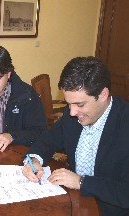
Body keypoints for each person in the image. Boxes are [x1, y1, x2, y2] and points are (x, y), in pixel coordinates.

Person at [22, 57, 129, 215]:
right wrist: (34, 160)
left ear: (103, 94)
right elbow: (48, 139)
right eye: (68, 104)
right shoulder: (73, 114)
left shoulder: (124, 123)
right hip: (75, 202)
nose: (72, 112)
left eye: (80, 104)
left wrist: (81, 182)